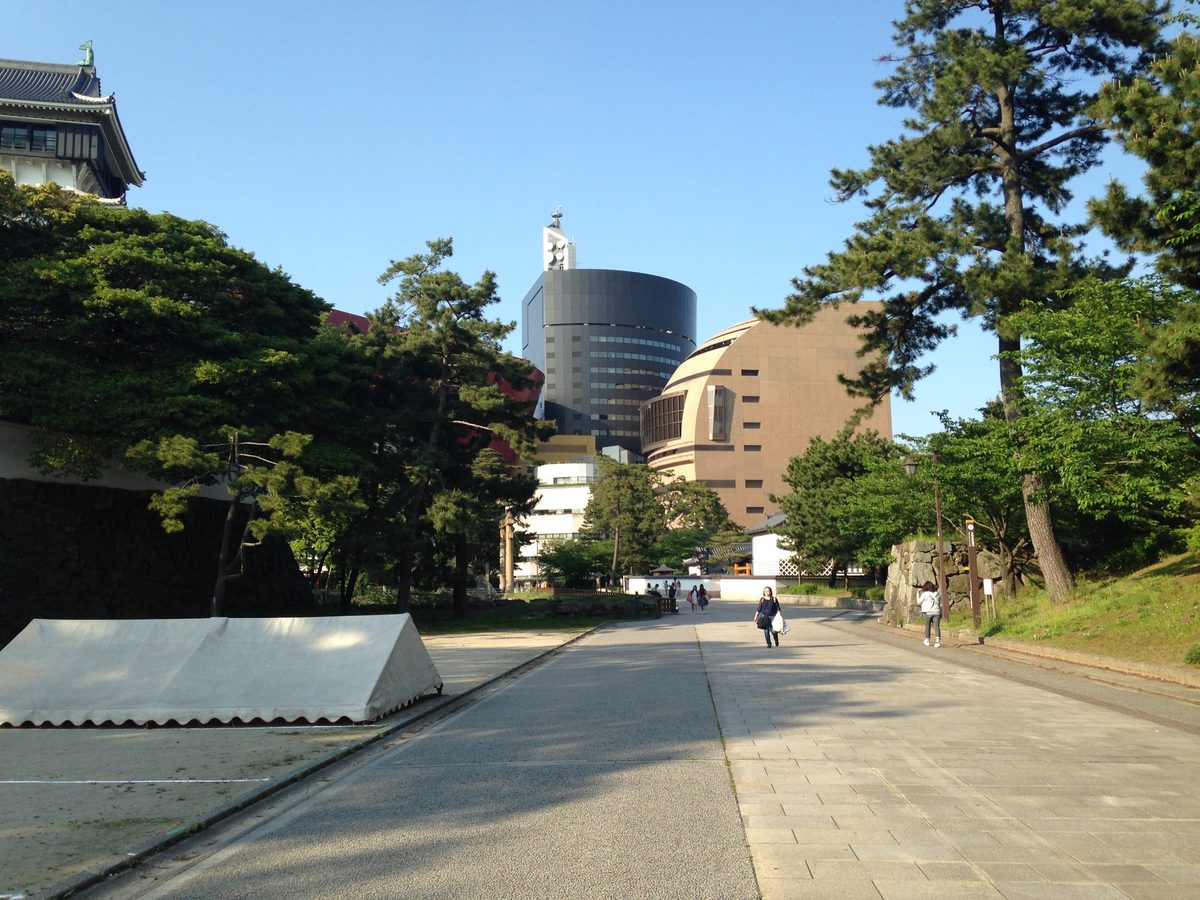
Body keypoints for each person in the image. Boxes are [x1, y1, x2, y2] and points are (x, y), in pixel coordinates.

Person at [918, 581, 941, 648]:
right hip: (937, 612)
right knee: (937, 627)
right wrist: (941, 612)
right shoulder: (937, 594)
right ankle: (937, 641)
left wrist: (918, 593)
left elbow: (919, 602)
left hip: (928, 612)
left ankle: (927, 640)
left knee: (927, 626)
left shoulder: (925, 594)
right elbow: (940, 604)